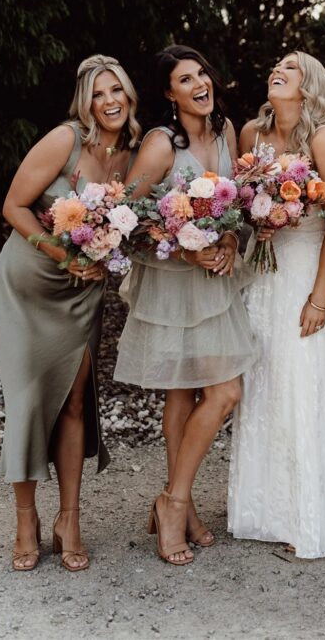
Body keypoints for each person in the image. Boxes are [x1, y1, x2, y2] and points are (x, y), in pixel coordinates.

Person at [0, 54, 141, 572]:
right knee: (30, 401)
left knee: (76, 401)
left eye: (116, 89)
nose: (110, 101)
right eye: (99, 94)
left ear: (129, 93)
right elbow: (13, 206)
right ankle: (26, 518)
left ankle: (69, 519)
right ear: (85, 102)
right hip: (27, 287)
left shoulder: (131, 154)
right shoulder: (64, 140)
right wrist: (67, 255)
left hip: (82, 294)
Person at [114, 44, 257, 566]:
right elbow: (124, 223)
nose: (199, 84)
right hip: (174, 285)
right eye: (185, 79)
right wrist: (184, 246)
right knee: (194, 392)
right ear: (169, 93)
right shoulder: (159, 145)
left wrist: (231, 243)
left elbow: (238, 208)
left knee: (217, 391)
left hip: (216, 285)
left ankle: (176, 500)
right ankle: (179, 505)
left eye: (202, 73)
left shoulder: (227, 130)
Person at [228, 52, 325, 558]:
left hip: (309, 268)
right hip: (263, 267)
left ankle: (311, 513)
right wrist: (258, 222)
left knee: (305, 380)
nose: (277, 69)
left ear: (308, 83)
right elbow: (243, 207)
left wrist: (320, 296)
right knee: (264, 381)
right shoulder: (251, 134)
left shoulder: (323, 138)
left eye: (290, 66)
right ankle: (265, 510)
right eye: (275, 65)